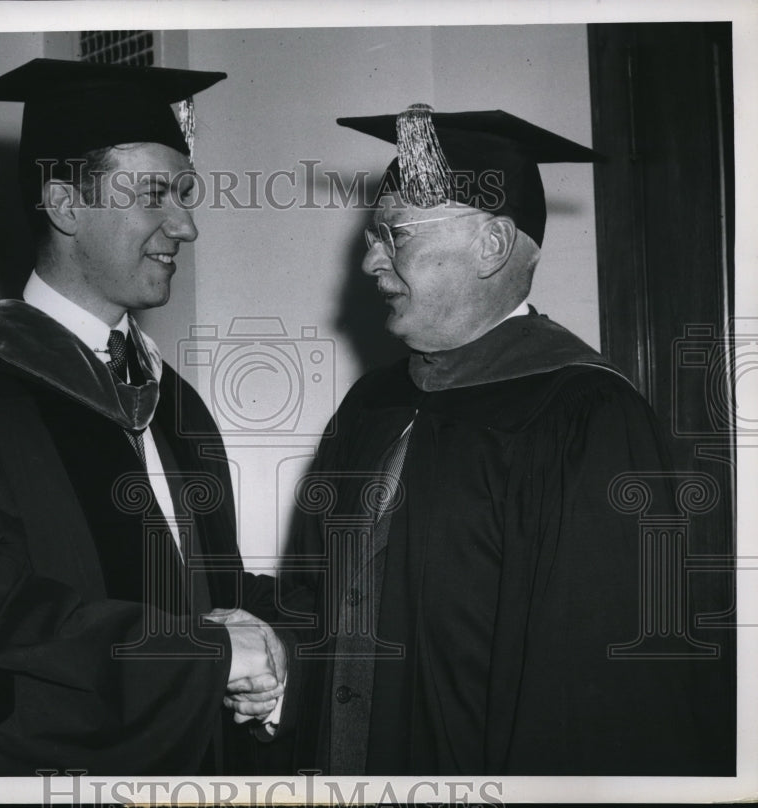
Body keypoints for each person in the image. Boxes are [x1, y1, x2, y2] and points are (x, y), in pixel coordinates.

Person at [255, 104, 731, 775]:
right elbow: (312, 598)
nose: (369, 260)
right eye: (372, 235)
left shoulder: (587, 416)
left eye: (395, 234)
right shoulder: (372, 405)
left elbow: (595, 698)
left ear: (491, 246)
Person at [0, 59, 286, 777]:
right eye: (154, 194)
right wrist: (201, 656)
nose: (185, 224)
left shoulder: (175, 405)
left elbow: (214, 593)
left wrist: (268, 651)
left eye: (185, 193)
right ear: (65, 205)